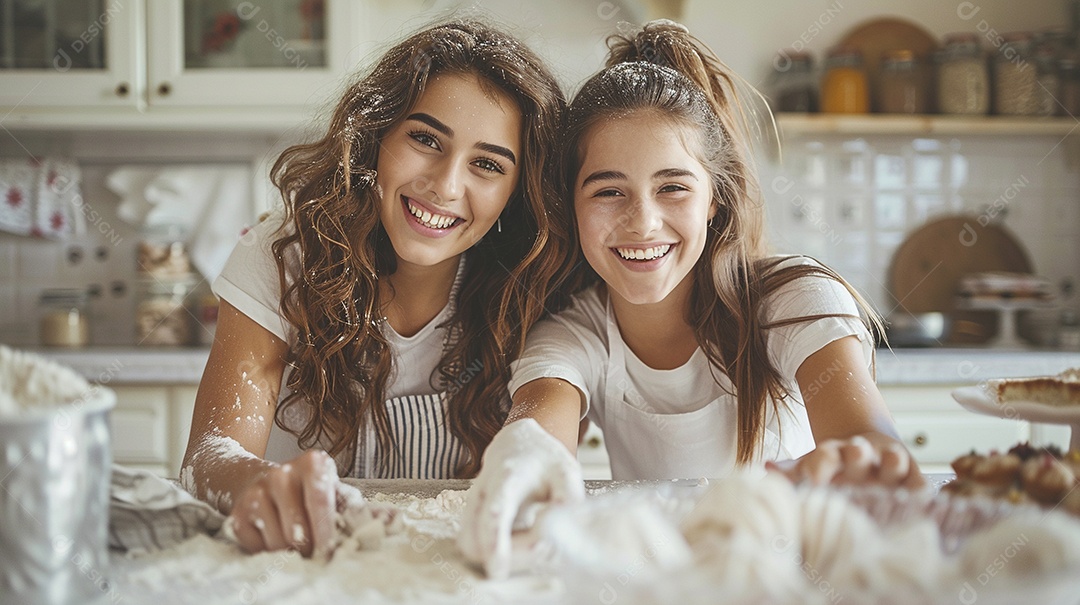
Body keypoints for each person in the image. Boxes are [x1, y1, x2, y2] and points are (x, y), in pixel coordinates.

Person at [459, 20, 924, 579]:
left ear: (713, 200)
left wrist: (864, 462)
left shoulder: (793, 299)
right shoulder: (576, 331)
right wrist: (523, 449)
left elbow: (869, 440)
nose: (643, 222)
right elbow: (540, 421)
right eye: (608, 190)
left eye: (673, 187)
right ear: (571, 205)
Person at [180, 19, 570, 559]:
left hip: (452, 576)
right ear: (377, 135)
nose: (445, 185)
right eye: (425, 139)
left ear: (517, 191)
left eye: (486, 164)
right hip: (299, 570)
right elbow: (209, 455)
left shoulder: (533, 285)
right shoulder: (283, 255)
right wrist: (254, 483)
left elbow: (542, 444)